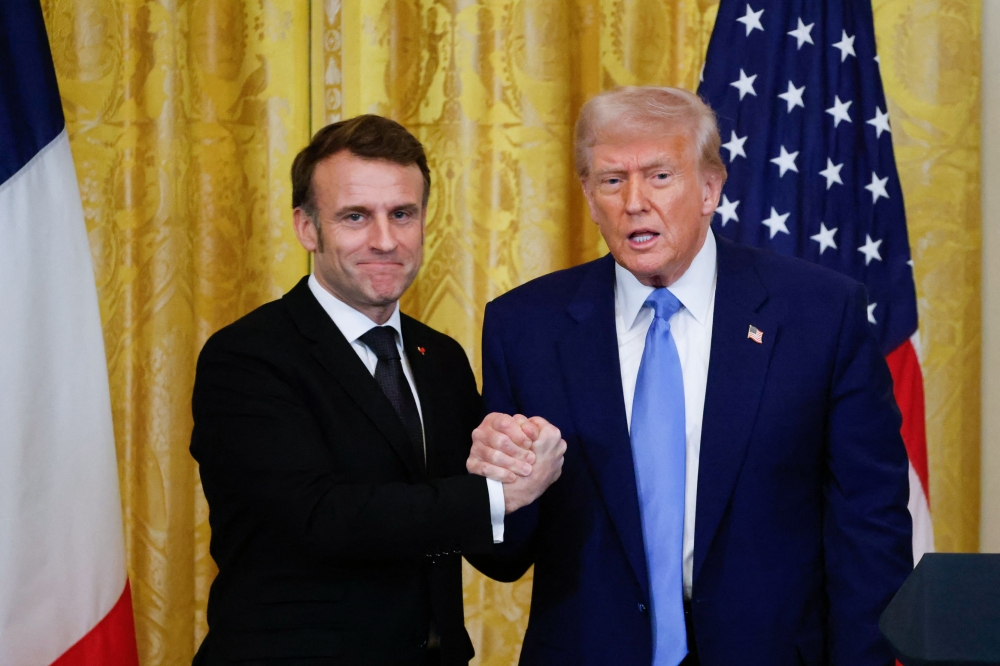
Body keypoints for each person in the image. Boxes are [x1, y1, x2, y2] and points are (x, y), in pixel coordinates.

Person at [466, 87, 913, 666]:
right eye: (612, 180)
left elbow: (870, 527)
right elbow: (502, 558)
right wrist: (499, 492)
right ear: (589, 196)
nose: (634, 202)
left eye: (659, 176)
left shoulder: (820, 315)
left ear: (709, 189)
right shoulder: (525, 326)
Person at [190, 115, 565, 666]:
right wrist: (496, 496)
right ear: (307, 228)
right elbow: (319, 519)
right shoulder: (247, 357)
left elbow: (497, 554)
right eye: (355, 216)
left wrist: (525, 463)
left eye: (402, 214)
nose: (385, 240)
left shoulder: (440, 358)